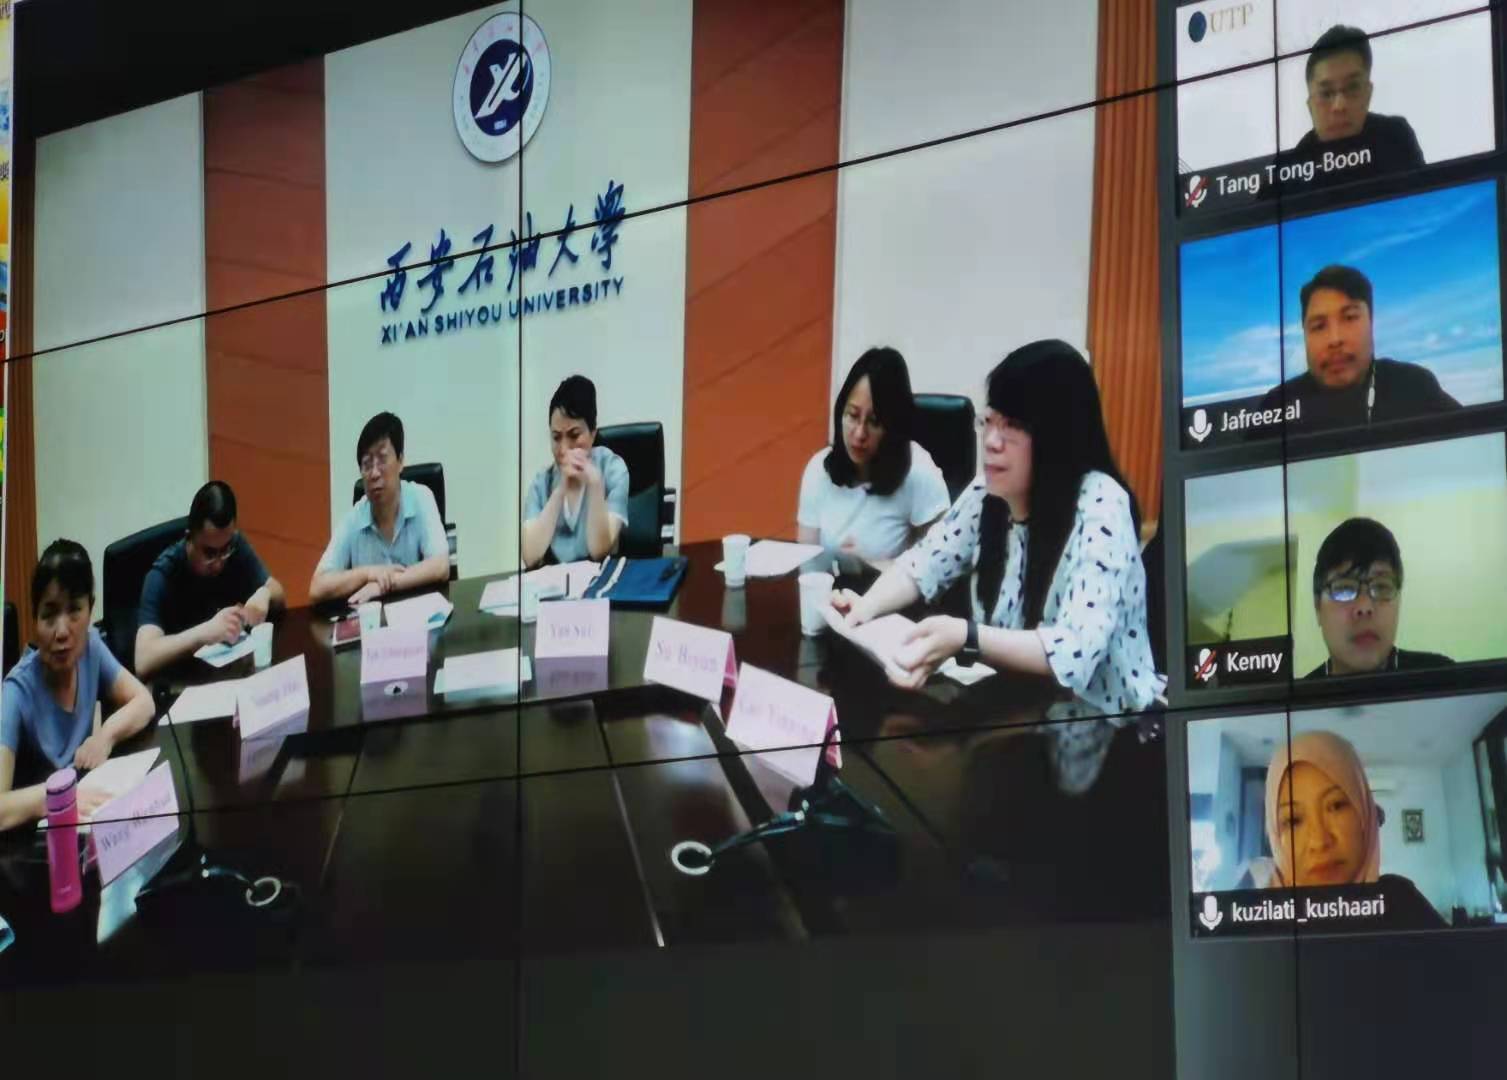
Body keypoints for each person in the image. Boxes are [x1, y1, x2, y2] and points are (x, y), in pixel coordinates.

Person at [831, 340, 1164, 714]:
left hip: (1107, 725)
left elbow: (1074, 652)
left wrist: (967, 638)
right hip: (1022, 713)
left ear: (1059, 435)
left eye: (1013, 426)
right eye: (988, 421)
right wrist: (866, 608)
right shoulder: (986, 492)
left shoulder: (1102, 505)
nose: (990, 442)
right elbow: (924, 562)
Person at [0, 541, 155, 831]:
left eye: (74, 610)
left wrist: (104, 737)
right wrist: (58, 796)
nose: (62, 631)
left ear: (90, 610)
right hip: (34, 838)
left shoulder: (90, 647)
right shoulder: (15, 692)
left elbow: (144, 702)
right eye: (49, 614)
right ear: (35, 618)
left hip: (83, 819)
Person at [1242, 731, 1444, 929]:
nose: (1319, 841)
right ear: (1275, 837)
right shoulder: (1253, 916)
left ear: (1365, 816)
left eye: (1336, 805)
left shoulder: (1400, 903)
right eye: (1294, 820)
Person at [1257, 265, 1460, 432]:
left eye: (1349, 317)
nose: (1335, 339)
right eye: (1318, 326)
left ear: (1371, 321)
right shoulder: (1278, 405)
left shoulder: (1413, 385)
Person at [796, 347, 949, 567]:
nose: (859, 434)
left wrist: (869, 564)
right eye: (852, 415)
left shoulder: (918, 471)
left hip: (892, 589)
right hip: (829, 588)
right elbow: (807, 566)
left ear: (893, 427)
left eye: (874, 422)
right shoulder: (818, 469)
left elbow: (941, 568)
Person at [134, 481, 286, 679]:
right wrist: (205, 632)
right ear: (189, 537)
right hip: (183, 683)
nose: (218, 563)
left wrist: (264, 593)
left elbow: (278, 592)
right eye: (209, 553)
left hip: (227, 675)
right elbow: (143, 659)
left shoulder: (234, 547)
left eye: (225, 550)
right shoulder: (162, 574)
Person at [309, 412, 449, 605]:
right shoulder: (354, 519)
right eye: (367, 464)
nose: (374, 473)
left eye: (382, 459)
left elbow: (440, 566)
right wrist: (369, 573)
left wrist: (383, 585)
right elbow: (317, 588)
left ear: (400, 461)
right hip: (372, 620)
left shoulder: (421, 497)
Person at [1304, 517, 1453, 678]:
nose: (1364, 607)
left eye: (1381, 587)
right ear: (1318, 608)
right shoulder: (1302, 693)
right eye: (1344, 590)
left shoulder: (1443, 678)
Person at [1280, 25, 1423, 183]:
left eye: (1352, 87)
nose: (1339, 106)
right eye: (1326, 93)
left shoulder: (1396, 137)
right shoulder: (1286, 170)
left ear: (1368, 94)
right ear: (1310, 106)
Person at [521, 375, 629, 568]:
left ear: (593, 433)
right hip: (555, 583)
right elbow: (530, 557)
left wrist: (595, 483)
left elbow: (599, 551)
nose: (564, 449)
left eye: (574, 435)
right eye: (556, 438)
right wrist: (561, 487)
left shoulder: (613, 469)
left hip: (602, 580)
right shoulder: (542, 482)